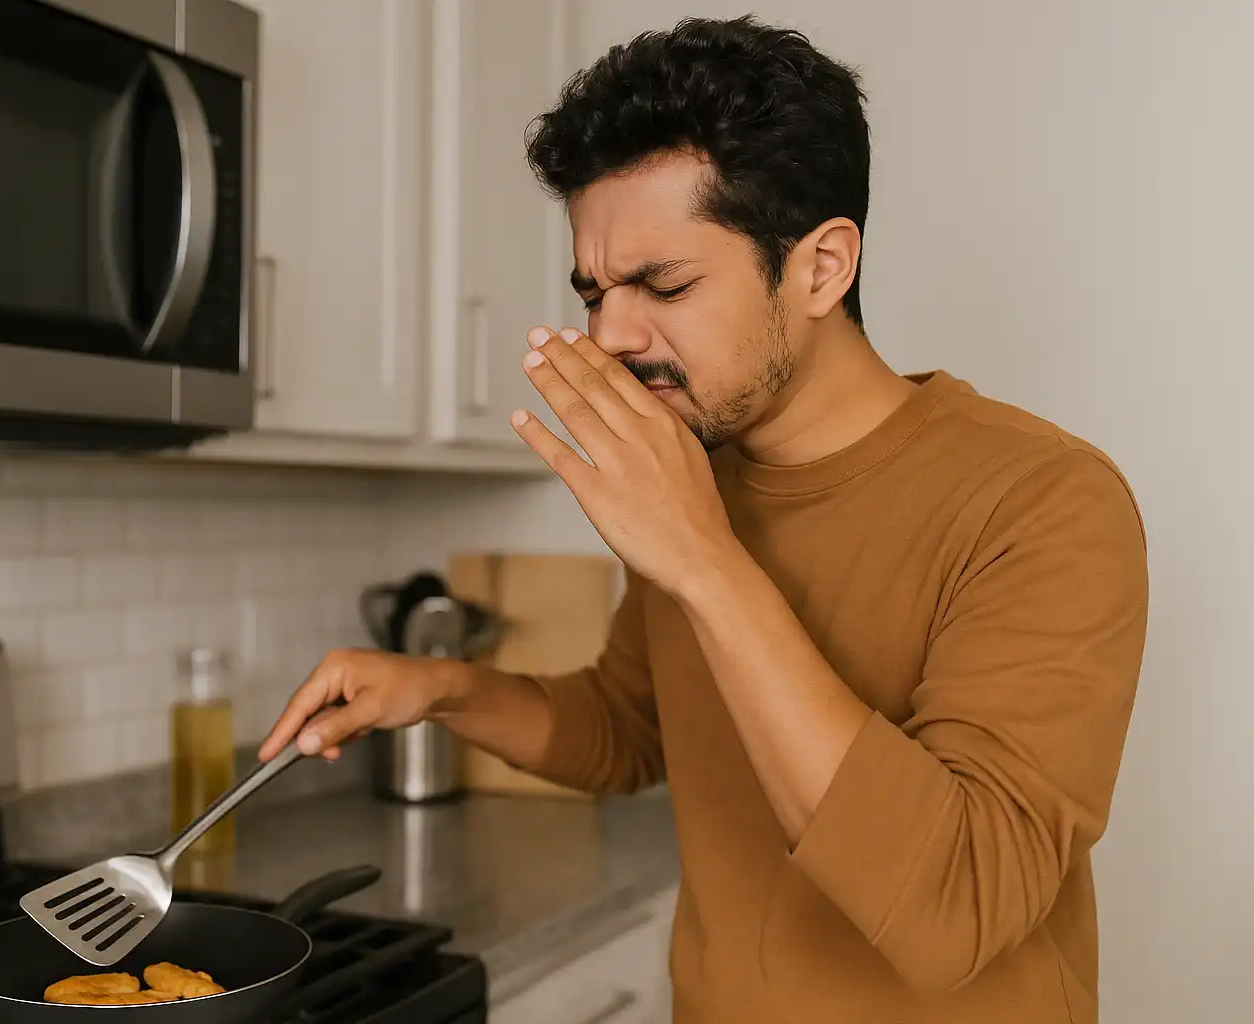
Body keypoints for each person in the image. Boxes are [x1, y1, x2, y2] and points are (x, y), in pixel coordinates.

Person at [259, 15, 1147, 1023]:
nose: (612, 335)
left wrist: (703, 560)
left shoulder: (1044, 500)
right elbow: (630, 728)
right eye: (593, 291)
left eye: (665, 284)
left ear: (821, 268)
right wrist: (438, 688)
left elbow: (955, 907)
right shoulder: (694, 481)